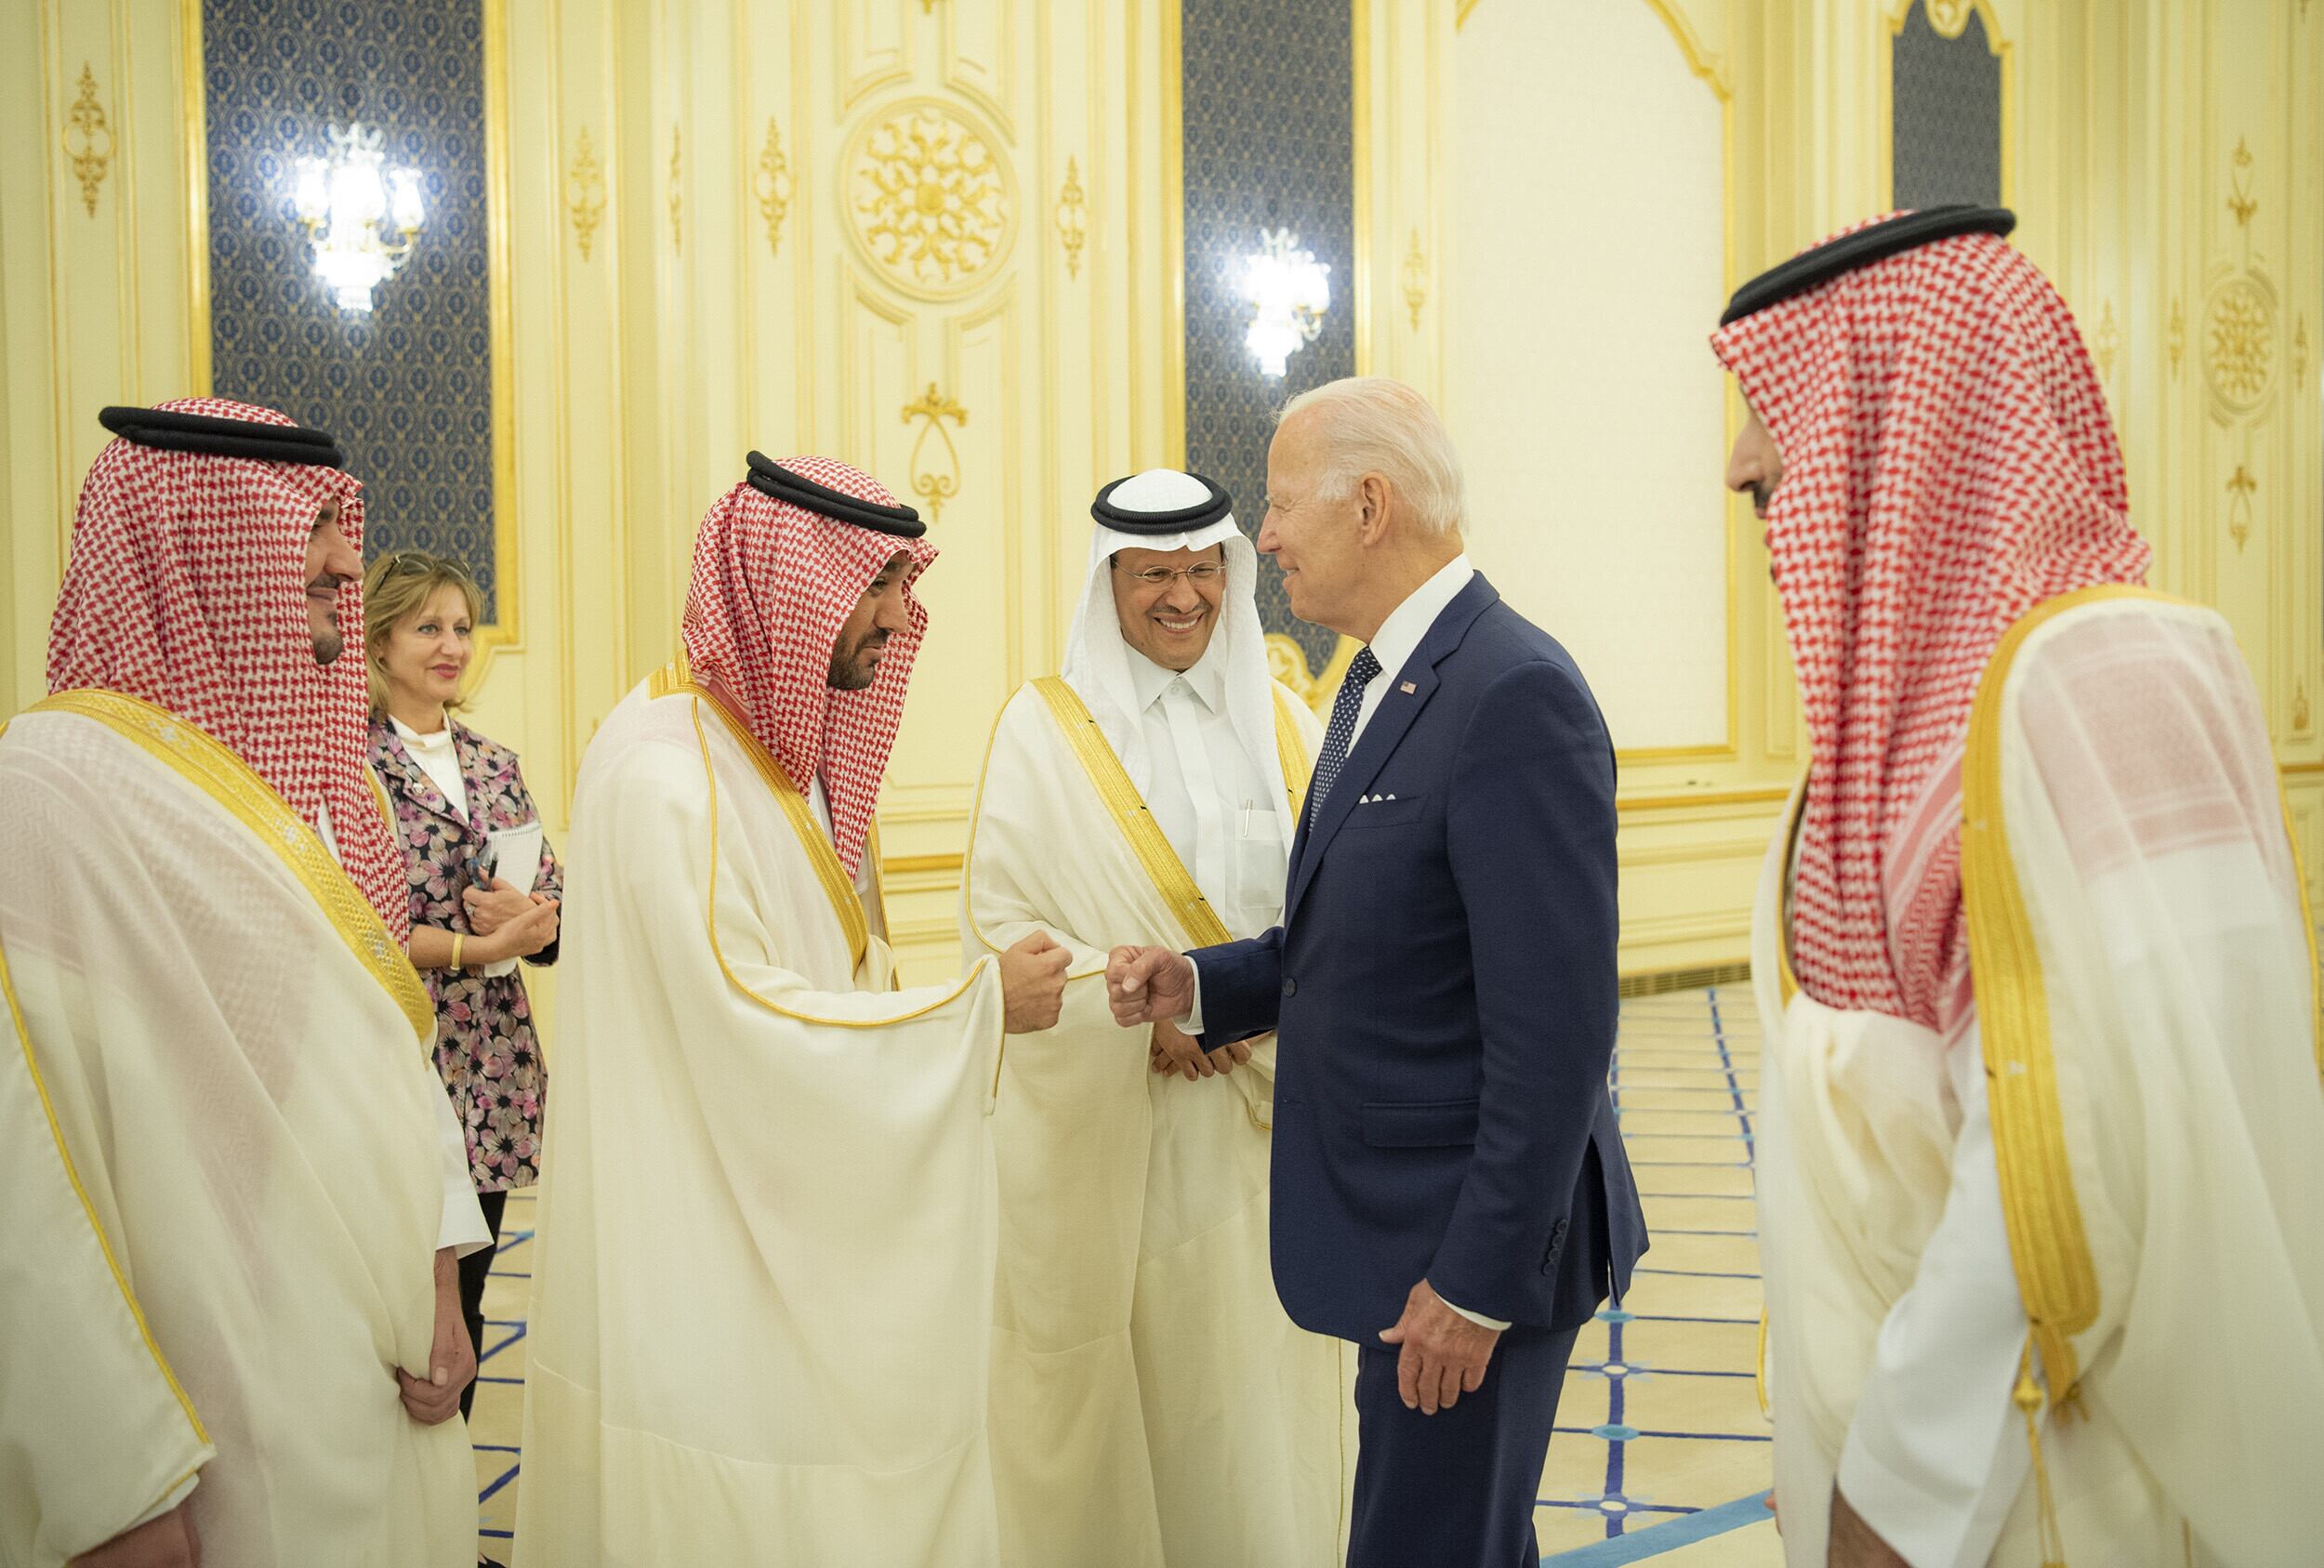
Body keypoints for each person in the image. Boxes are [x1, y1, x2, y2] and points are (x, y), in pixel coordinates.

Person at [1710, 205, 2324, 1566]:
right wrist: (1818, 1438)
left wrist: (1886, 1484)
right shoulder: (1929, 713)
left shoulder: (2096, 683)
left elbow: (2072, 1153)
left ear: (1905, 419)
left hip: (2044, 1487)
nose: (1739, 457)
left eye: (1771, 402)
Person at [1107, 377, 1647, 1568]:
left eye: (1282, 505)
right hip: (1408, 1240)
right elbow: (1361, 941)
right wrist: (1197, 985)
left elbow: (1556, 1033)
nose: (1266, 540)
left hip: (1463, 1260)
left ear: (1368, 503)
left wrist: (1476, 1284)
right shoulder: (1377, 677)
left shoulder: (1511, 692)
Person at [516, 452, 1069, 1566]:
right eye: (876, 586)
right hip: (711, 1252)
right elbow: (751, 1024)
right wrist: (973, 1012)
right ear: (788, 585)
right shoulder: (672, 776)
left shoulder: (766, 751)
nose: (899, 618)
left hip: (775, 1212)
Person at [0, 400, 491, 1567]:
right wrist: (108, 1478)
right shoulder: (53, 792)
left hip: (376, 1365)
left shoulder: (331, 787)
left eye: (340, 522)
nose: (341, 560)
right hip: (203, 1406)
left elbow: (395, 1055)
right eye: (307, 526)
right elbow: (27, 1171)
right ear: (185, 542)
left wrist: (438, 1277)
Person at [962, 468, 1348, 1567]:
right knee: (1167, 1385)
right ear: (1108, 582)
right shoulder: (1042, 729)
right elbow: (1000, 920)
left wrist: (1234, 998)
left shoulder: (1282, 716)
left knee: (1273, 1381)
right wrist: (1139, 1009)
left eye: (1201, 571)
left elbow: (1333, 900)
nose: (1183, 597)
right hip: (1133, 1124)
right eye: (1152, 575)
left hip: (1280, 1119)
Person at [363, 549, 561, 1443]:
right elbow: (358, 920)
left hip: (494, 1066)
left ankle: (450, 1512)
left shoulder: (493, 762)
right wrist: (484, 943)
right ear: (379, 638)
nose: (450, 645)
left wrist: (535, 919)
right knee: (396, 1299)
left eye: (461, 626)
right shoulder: (351, 761)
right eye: (426, 627)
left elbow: (551, 905)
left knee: (469, 1302)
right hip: (399, 1056)